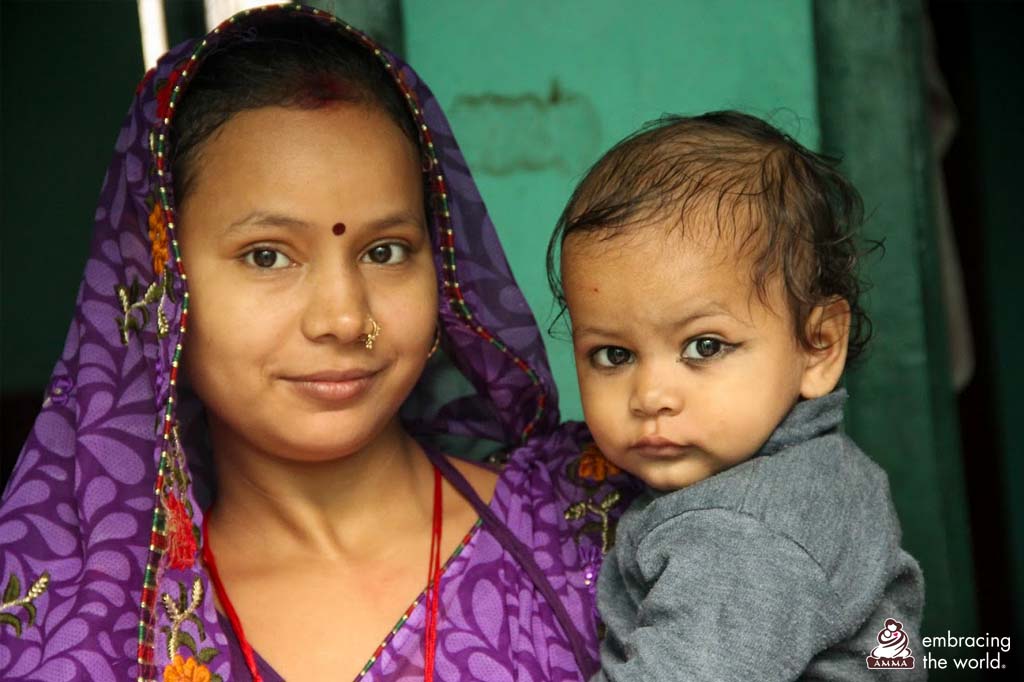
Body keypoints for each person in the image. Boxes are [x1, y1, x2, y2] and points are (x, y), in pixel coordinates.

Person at [0, 6, 635, 681]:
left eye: (386, 251)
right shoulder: (82, 632)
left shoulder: (600, 533)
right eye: (268, 256)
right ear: (163, 279)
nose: (340, 318)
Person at [546, 111, 925, 680]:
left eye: (704, 346)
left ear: (818, 346)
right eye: (614, 355)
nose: (650, 395)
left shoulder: (743, 533)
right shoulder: (817, 472)